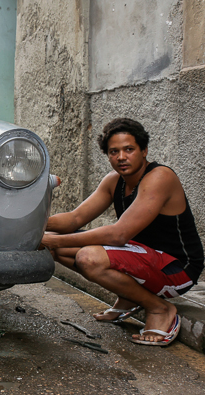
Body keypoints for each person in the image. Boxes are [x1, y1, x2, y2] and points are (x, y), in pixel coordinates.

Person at [42, 118, 203, 346]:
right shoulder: (114, 181)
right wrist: (29, 223)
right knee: (59, 246)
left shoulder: (160, 177)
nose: (121, 157)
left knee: (87, 257)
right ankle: (129, 297)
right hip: (141, 256)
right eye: (113, 152)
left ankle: (159, 308)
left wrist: (50, 241)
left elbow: (118, 235)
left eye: (129, 149)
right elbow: (74, 219)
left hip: (177, 268)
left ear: (144, 150)